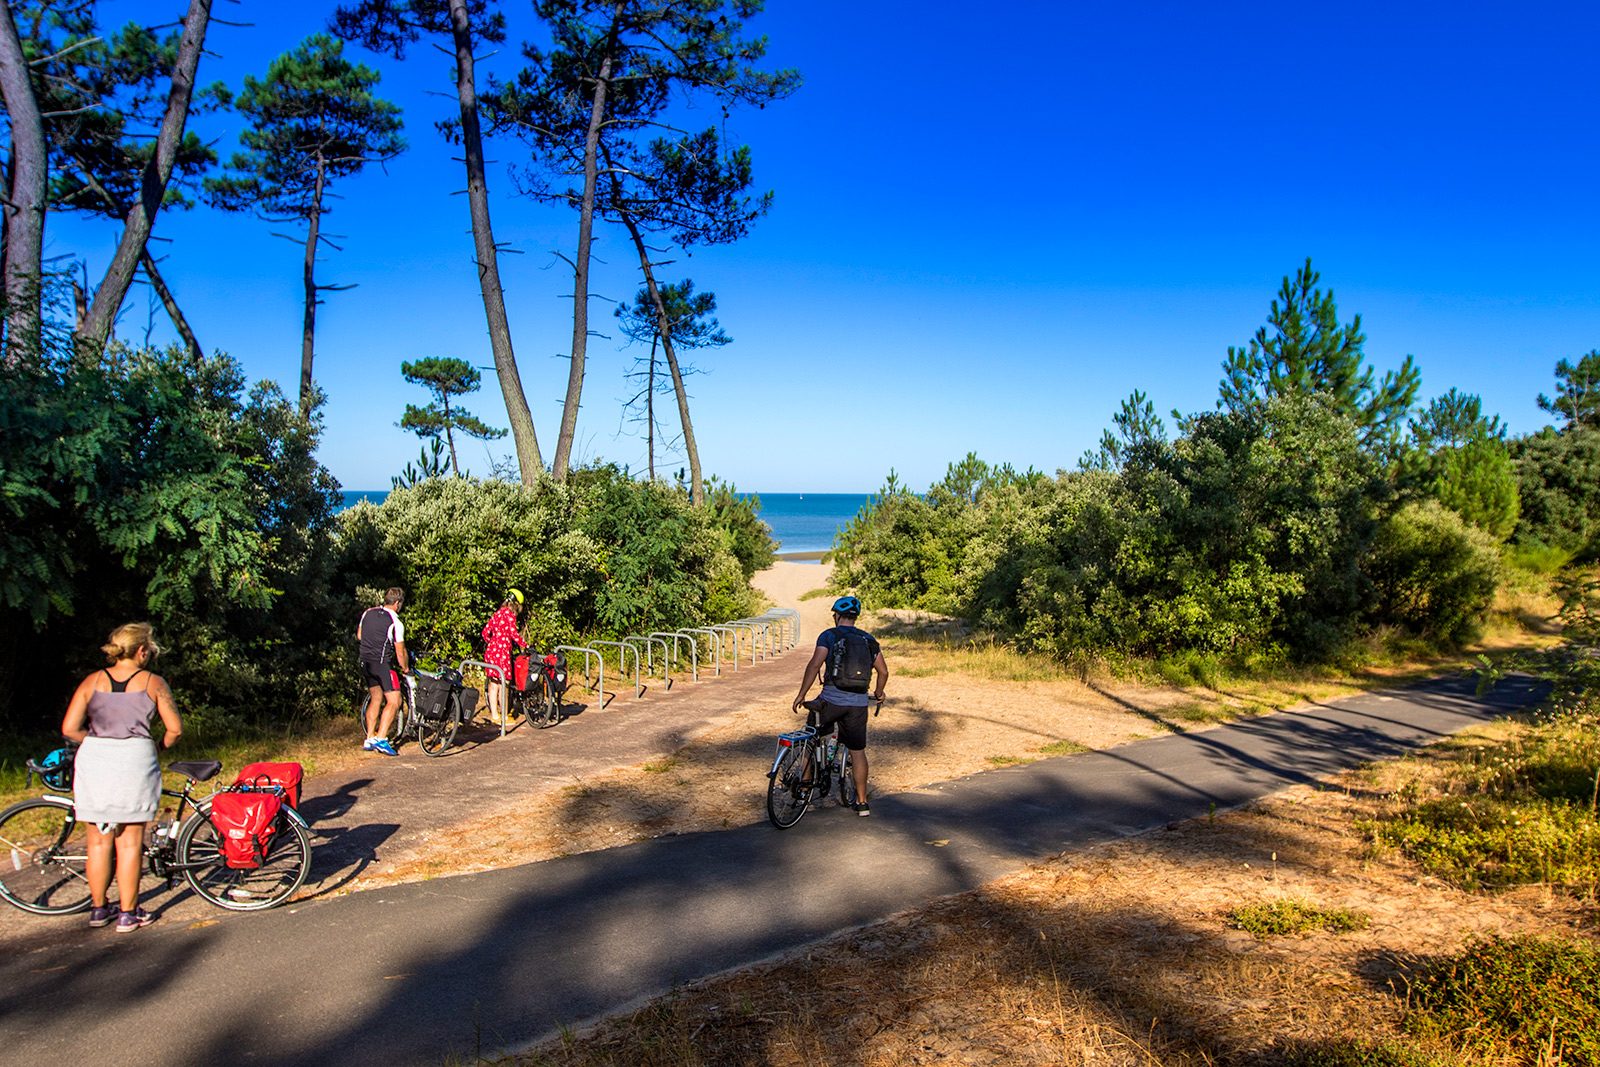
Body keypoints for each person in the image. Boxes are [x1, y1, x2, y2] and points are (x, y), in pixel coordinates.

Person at [60, 622, 183, 932]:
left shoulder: (92, 681)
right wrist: (157, 747)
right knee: (129, 842)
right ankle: (128, 913)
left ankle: (99, 909)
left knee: (98, 841)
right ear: (141, 651)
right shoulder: (153, 683)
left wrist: (96, 741)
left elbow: (69, 728)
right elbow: (175, 729)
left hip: (96, 757)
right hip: (134, 758)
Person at [791, 595, 888, 816]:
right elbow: (883, 671)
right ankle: (862, 803)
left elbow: (815, 664)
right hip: (857, 705)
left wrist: (801, 694)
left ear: (837, 615)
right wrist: (879, 693)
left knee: (809, 738)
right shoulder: (869, 639)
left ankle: (805, 787)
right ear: (855, 617)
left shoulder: (829, 636)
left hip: (830, 701)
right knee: (857, 752)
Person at [357, 587, 409, 756]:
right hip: (382, 664)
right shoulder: (395, 622)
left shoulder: (368, 612)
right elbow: (400, 652)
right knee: (395, 700)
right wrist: (405, 668)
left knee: (376, 698)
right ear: (397, 603)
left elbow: (359, 635)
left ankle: (369, 737)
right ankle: (381, 738)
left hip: (365, 662)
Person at [481, 589, 526, 725]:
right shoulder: (510, 615)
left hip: (491, 652)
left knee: (493, 684)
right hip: (502, 654)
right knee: (503, 685)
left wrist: (492, 643)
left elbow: (485, 632)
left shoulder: (497, 613)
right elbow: (513, 634)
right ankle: (504, 716)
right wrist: (524, 644)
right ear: (516, 605)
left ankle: (494, 715)